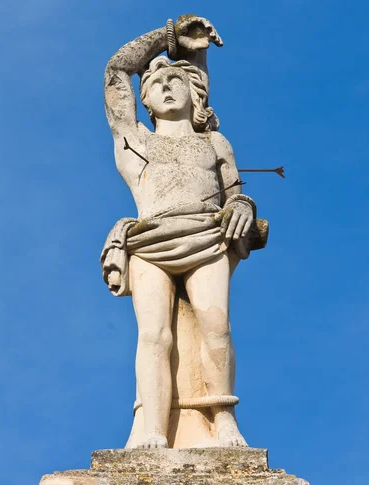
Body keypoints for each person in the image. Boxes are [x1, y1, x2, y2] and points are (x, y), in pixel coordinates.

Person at [102, 15, 258, 448]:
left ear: (197, 94)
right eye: (156, 84)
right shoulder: (136, 142)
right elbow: (116, 72)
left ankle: (223, 418)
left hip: (206, 238)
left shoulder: (215, 144)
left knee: (216, 324)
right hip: (151, 243)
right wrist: (170, 39)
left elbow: (234, 196)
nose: (166, 86)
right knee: (154, 335)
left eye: (177, 81)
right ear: (145, 103)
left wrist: (243, 205)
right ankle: (151, 428)